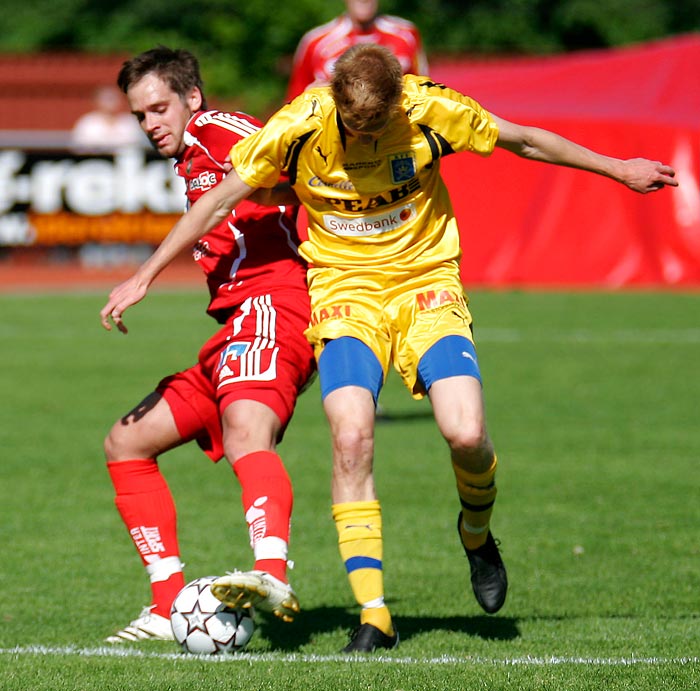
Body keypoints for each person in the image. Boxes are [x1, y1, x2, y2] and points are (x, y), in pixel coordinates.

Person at [100, 44, 678, 652]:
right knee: (333, 436)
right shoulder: (301, 124)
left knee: (466, 434)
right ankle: (368, 614)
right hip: (341, 294)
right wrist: (146, 273)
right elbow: (233, 194)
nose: (368, 138)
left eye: (158, 109)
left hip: (410, 290)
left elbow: (525, 140)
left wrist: (618, 168)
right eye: (356, 127)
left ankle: (470, 535)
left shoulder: (426, 109)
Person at [101, 46, 315, 643]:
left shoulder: (219, 128)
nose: (151, 124)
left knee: (250, 429)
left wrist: (142, 275)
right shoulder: (190, 155)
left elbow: (294, 168)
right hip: (234, 326)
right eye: (141, 115)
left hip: (276, 304)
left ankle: (272, 574)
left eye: (159, 108)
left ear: (192, 98)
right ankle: (169, 603)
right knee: (127, 441)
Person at [286, 0, 428, 101]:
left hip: (394, 138)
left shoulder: (406, 34)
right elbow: (293, 105)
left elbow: (425, 93)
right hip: (334, 140)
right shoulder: (315, 42)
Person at [71, 85, 146, 151]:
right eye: (106, 99)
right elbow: (80, 147)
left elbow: (136, 144)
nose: (110, 103)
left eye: (113, 98)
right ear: (97, 101)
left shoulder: (129, 122)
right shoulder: (87, 123)